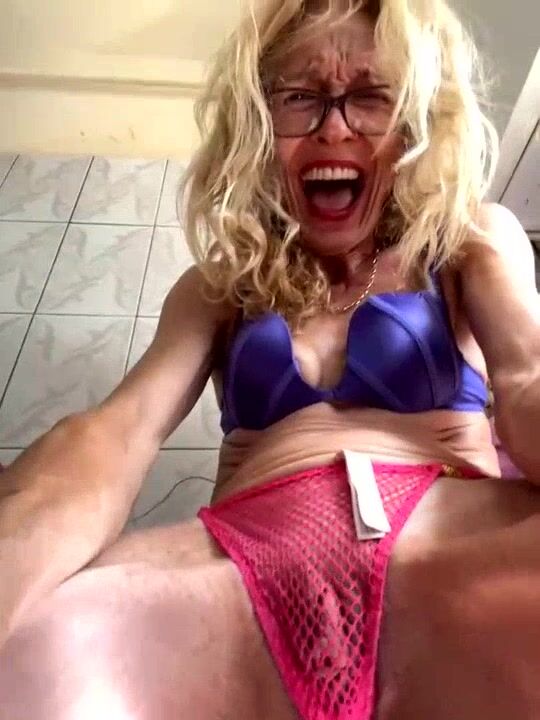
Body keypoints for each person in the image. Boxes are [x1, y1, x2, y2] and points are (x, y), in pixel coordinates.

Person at [1, 0, 539, 717]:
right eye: (299, 98)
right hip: (238, 588)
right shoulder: (219, 286)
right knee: (36, 638)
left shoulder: (468, 240)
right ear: (259, 125)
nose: (334, 127)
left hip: (449, 558)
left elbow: (527, 378)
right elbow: (119, 432)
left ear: (413, 122)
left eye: (370, 97)